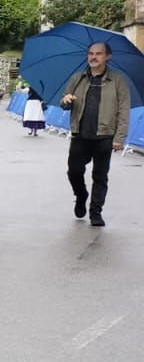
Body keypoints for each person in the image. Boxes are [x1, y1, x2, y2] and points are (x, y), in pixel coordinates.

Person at [60, 40, 134, 227]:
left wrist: (119, 138)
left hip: (105, 136)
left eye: (98, 53)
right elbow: (64, 102)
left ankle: (95, 212)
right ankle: (81, 195)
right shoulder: (77, 78)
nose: (93, 57)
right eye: (91, 53)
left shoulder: (118, 81)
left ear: (107, 57)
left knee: (100, 176)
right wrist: (66, 100)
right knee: (74, 172)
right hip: (80, 135)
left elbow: (124, 110)